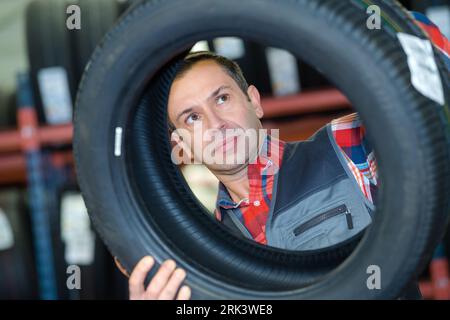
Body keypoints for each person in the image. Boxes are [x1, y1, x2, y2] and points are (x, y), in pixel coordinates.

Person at [116, 12, 450, 300]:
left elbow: (432, 90)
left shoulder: (346, 148)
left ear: (254, 101)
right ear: (182, 144)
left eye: (221, 99)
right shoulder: (203, 249)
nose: (216, 125)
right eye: (193, 117)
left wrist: (355, 13)